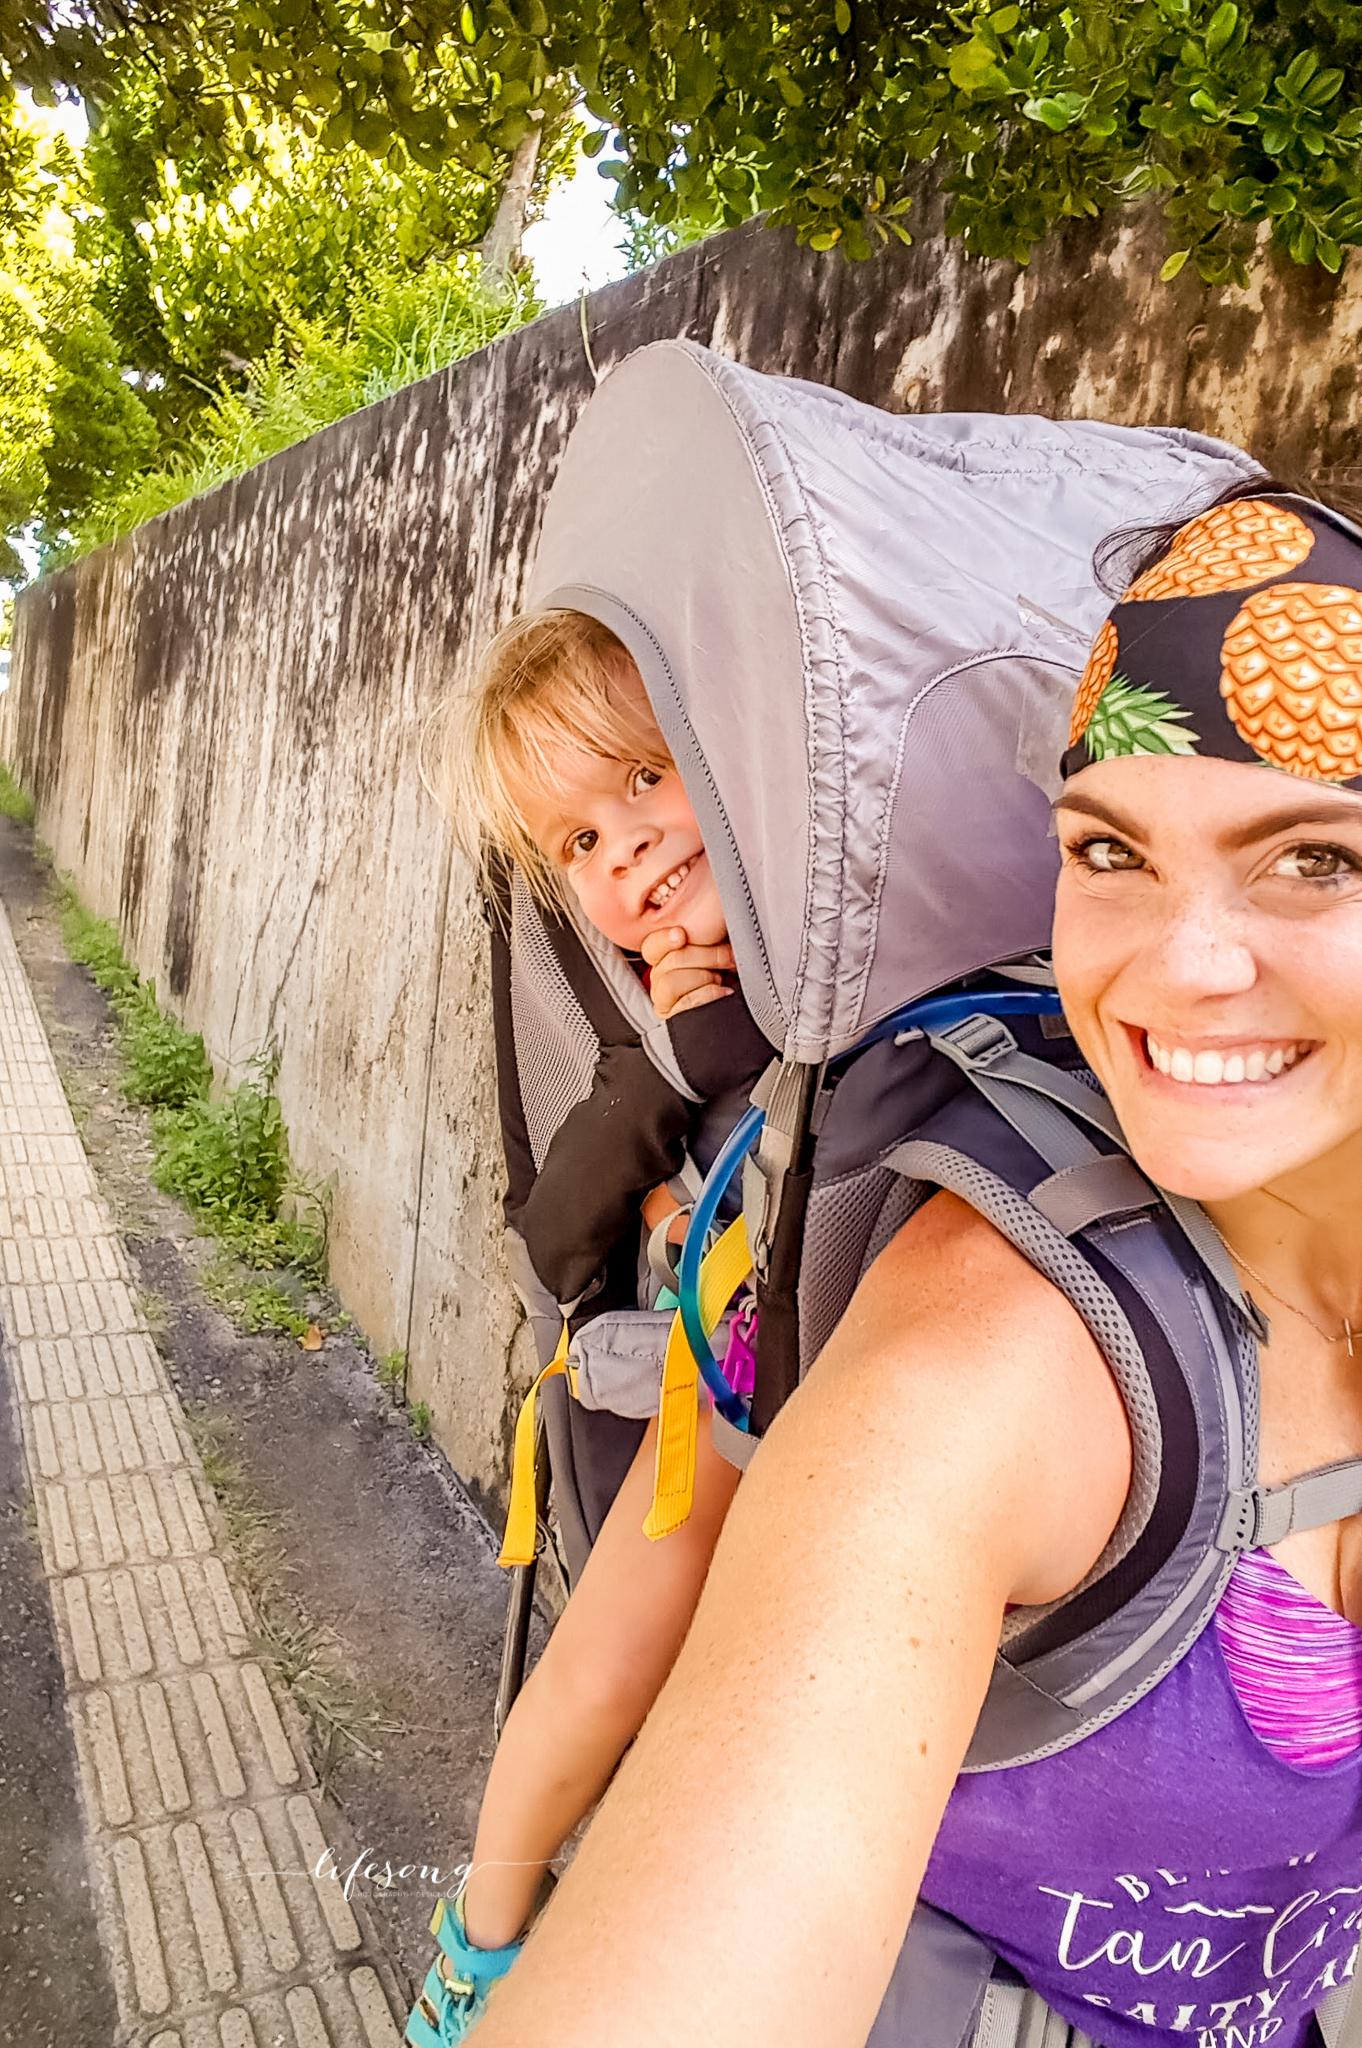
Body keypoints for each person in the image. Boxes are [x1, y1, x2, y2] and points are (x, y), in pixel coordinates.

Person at [468, 486, 1362, 2048]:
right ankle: (481, 1930)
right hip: (751, 1362)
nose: (1179, 965)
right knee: (614, 1646)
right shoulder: (976, 1375)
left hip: (752, 1328)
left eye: (1314, 856)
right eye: (1108, 849)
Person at [408, 609, 773, 2045]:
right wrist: (671, 1065)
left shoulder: (860, 940)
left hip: (842, 1407)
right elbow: (549, 1235)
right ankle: (481, 1947)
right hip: (694, 1421)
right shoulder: (625, 1010)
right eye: (578, 840)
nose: (624, 849)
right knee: (611, 1680)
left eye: (642, 776)